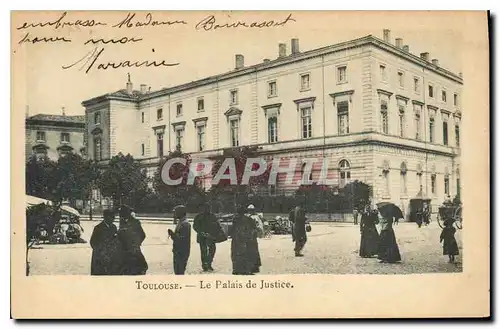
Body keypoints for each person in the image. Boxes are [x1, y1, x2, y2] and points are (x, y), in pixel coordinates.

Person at [117, 205, 148, 275]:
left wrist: (136, 244)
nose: (119, 215)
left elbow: (142, 235)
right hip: (123, 251)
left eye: (121, 213)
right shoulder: (122, 221)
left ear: (126, 213)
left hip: (133, 250)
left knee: (139, 267)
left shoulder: (135, 222)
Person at [90, 209, 122, 275]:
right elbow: (93, 242)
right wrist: (101, 252)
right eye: (112, 217)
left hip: (111, 257)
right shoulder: (98, 228)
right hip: (100, 258)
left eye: (114, 217)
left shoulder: (114, 227)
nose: (113, 219)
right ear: (106, 217)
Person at [193, 204, 224, 272]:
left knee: (212, 250)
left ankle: (209, 263)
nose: (208, 210)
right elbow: (195, 226)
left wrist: (217, 233)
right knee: (203, 251)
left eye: (209, 208)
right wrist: (201, 232)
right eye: (206, 208)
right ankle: (205, 265)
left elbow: (217, 225)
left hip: (211, 237)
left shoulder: (212, 216)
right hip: (202, 237)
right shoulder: (199, 216)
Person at [231, 205, 257, 275]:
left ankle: (236, 269)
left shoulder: (235, 219)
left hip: (237, 239)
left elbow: (232, 230)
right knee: (247, 253)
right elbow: (254, 228)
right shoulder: (249, 219)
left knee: (236, 254)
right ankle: (247, 269)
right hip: (246, 239)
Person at [168, 205, 191, 275]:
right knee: (178, 272)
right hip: (178, 251)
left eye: (175, 213)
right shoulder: (181, 222)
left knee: (179, 272)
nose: (174, 215)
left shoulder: (185, 224)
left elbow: (181, 239)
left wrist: (172, 234)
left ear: (180, 213)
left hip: (181, 252)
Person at [245, 204, 262, 273]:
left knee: (254, 250)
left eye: (251, 210)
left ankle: (255, 266)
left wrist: (257, 231)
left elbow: (259, 226)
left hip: (253, 235)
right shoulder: (246, 216)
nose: (250, 211)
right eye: (249, 210)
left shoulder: (256, 217)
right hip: (248, 236)